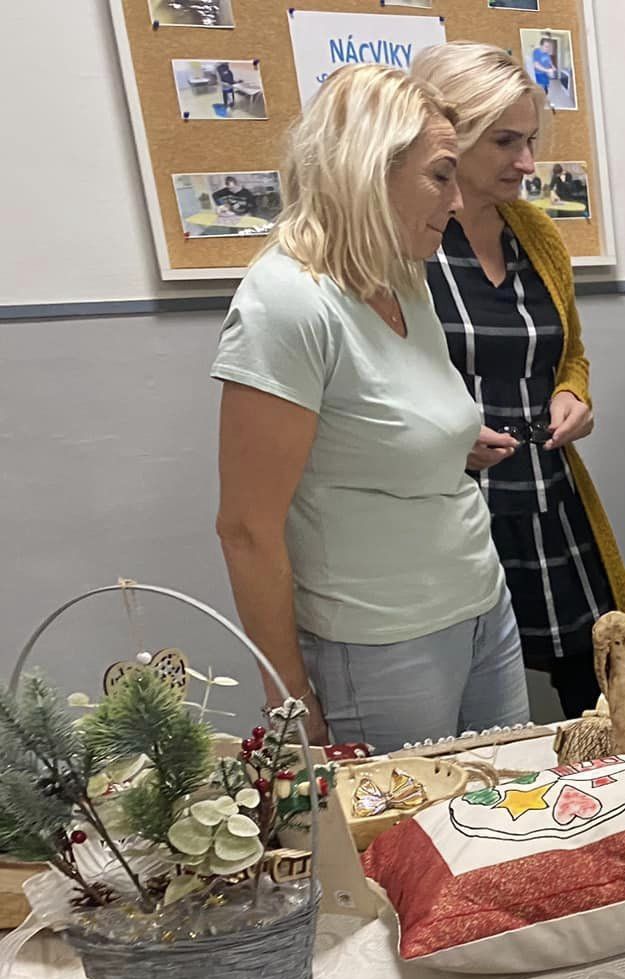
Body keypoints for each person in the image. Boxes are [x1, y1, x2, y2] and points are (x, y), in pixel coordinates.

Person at [212, 64, 526, 751]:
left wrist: (448, 442)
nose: (457, 200)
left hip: (481, 604)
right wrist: (290, 697)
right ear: (369, 170)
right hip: (381, 644)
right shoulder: (287, 302)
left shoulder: (402, 274)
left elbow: (387, 421)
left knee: (512, 806)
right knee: (406, 823)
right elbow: (246, 530)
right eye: (441, 176)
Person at [412, 42, 625, 721]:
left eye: (531, 140)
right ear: (451, 138)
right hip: (453, 509)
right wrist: (443, 436)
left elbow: (569, 352)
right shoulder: (411, 242)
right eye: (506, 141)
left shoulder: (536, 234)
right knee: (472, 712)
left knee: (602, 693)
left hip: (548, 499)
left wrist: (573, 394)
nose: (528, 163)